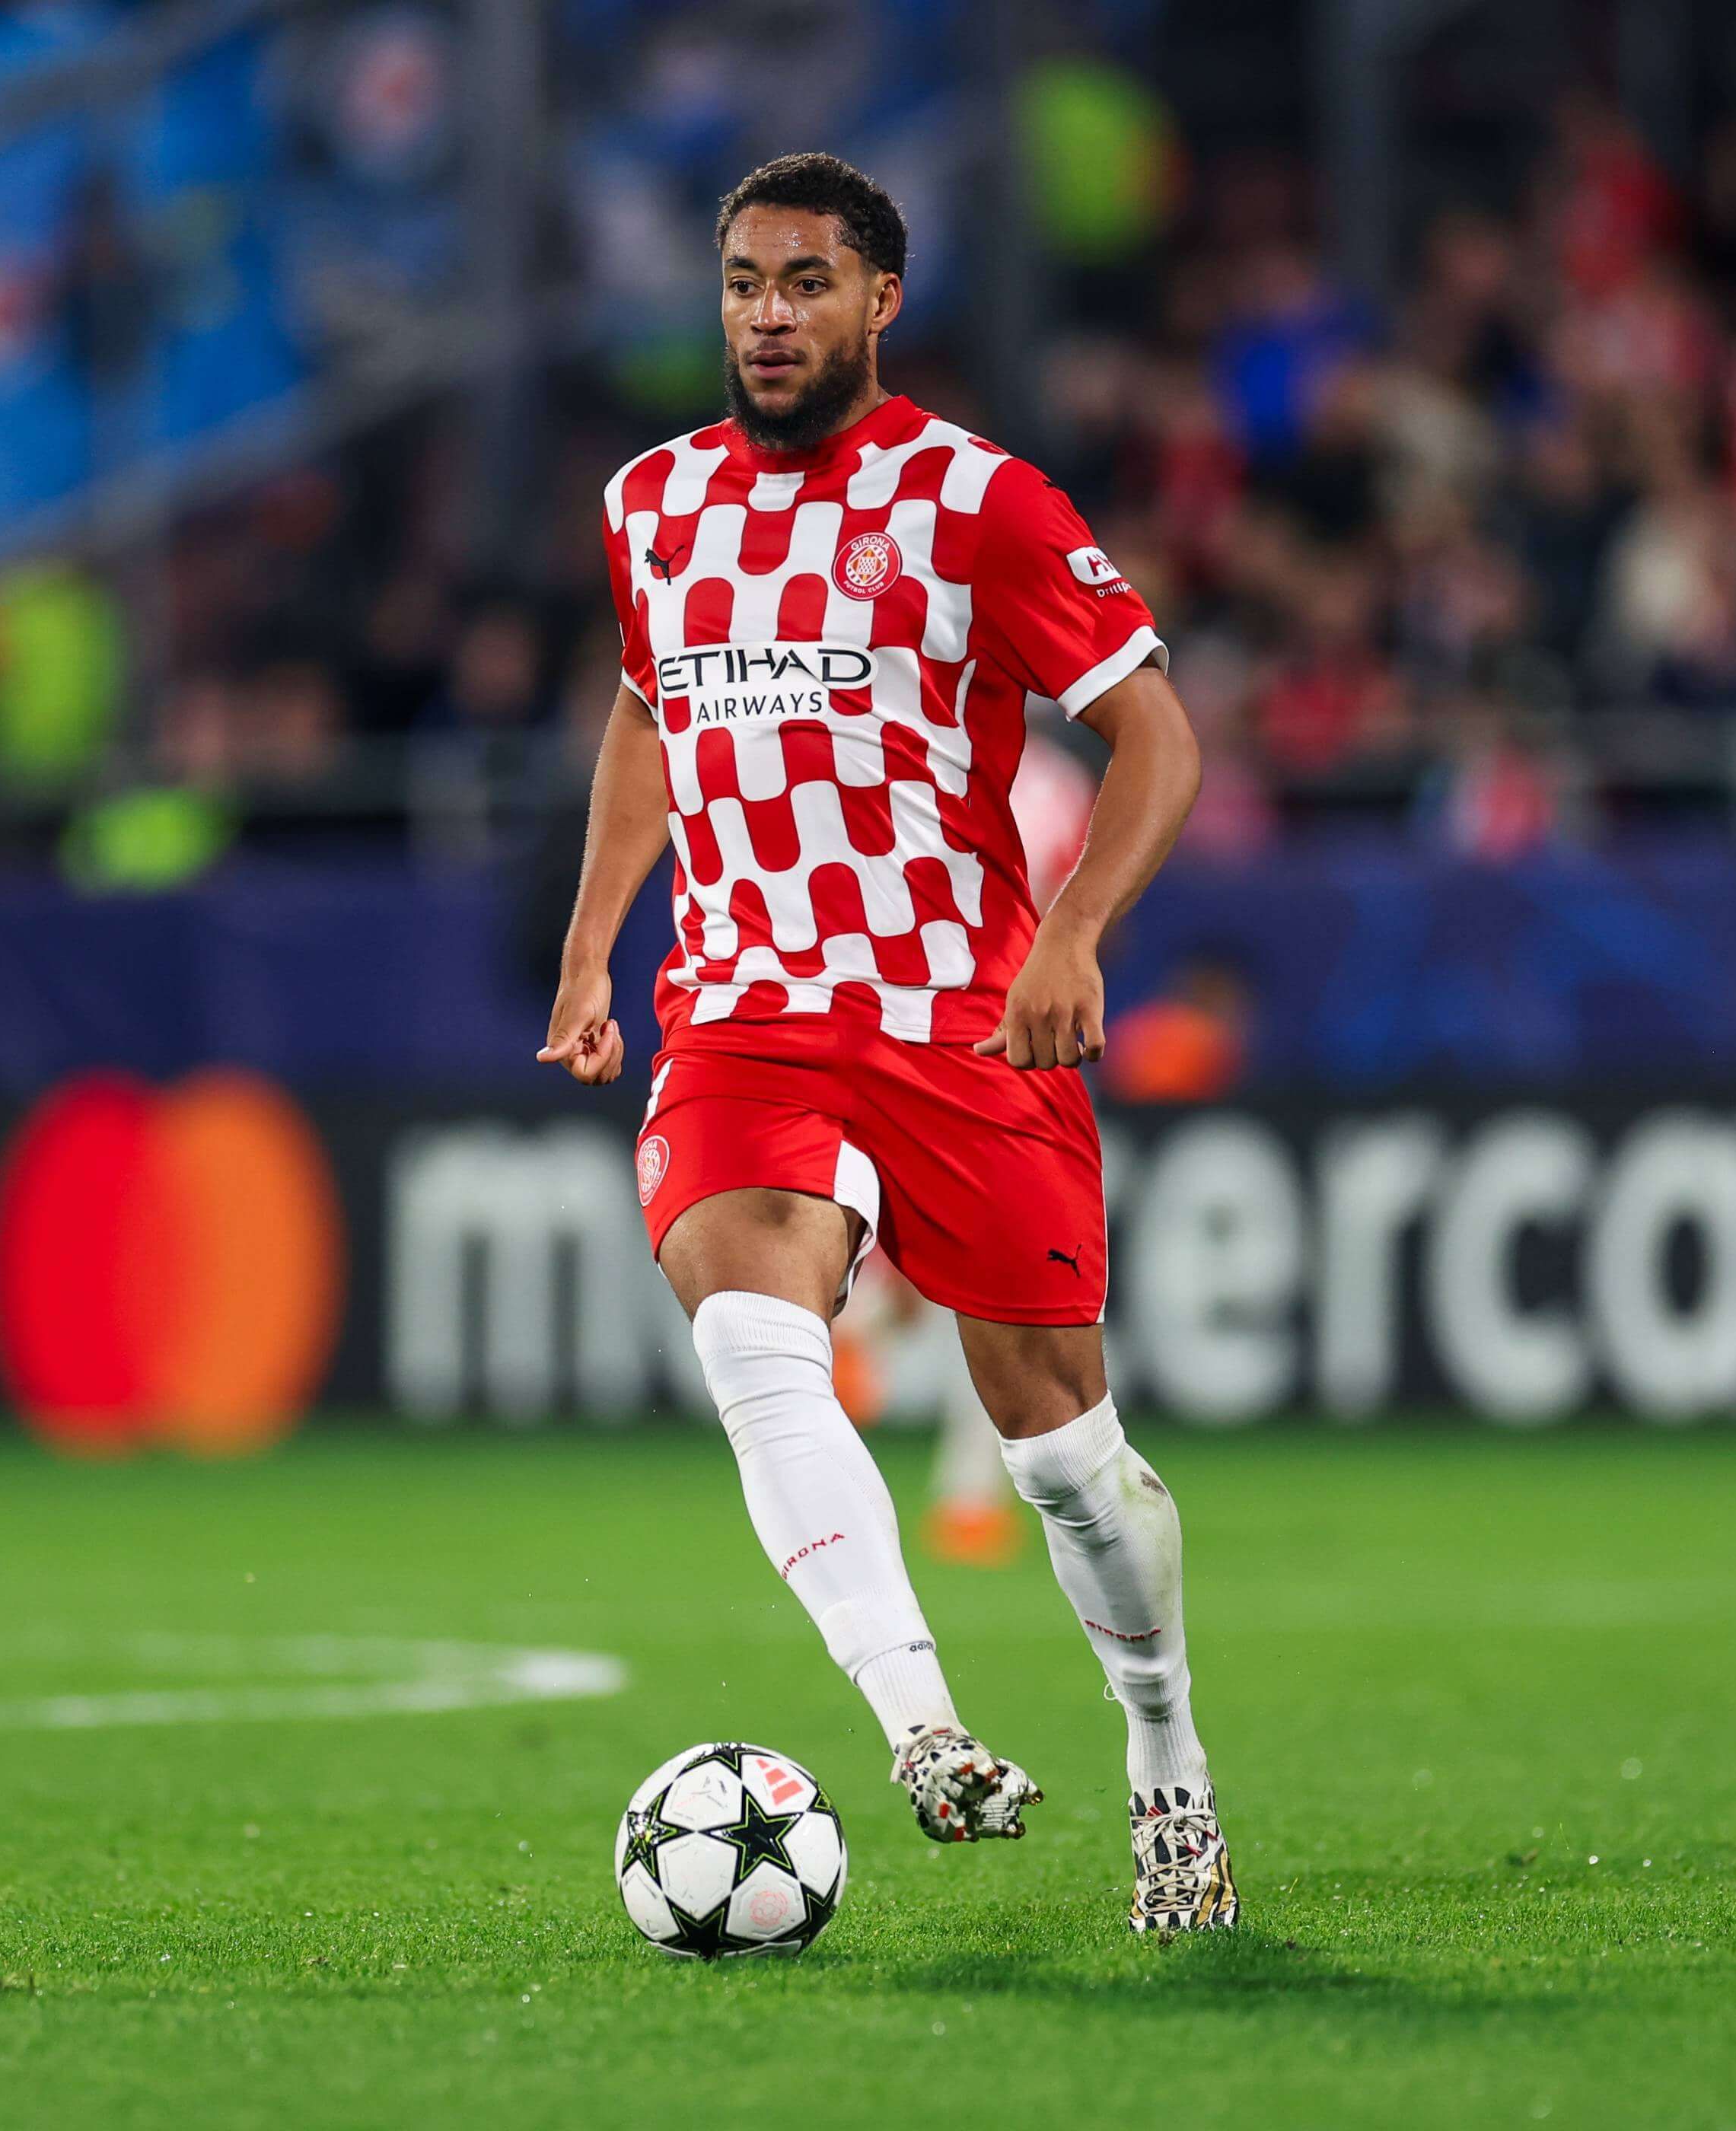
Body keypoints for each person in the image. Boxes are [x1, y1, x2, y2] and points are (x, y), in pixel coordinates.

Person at [537, 154, 1234, 1932]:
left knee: (1065, 1451)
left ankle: (1165, 1756)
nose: (769, 314)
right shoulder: (650, 504)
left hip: (954, 1012)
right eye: (744, 283)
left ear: (878, 302)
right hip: (746, 1007)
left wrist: (1073, 931)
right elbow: (645, 704)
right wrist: (595, 939)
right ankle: (922, 1730)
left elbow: (1157, 734)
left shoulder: (973, 499)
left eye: (806, 282)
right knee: (756, 1338)